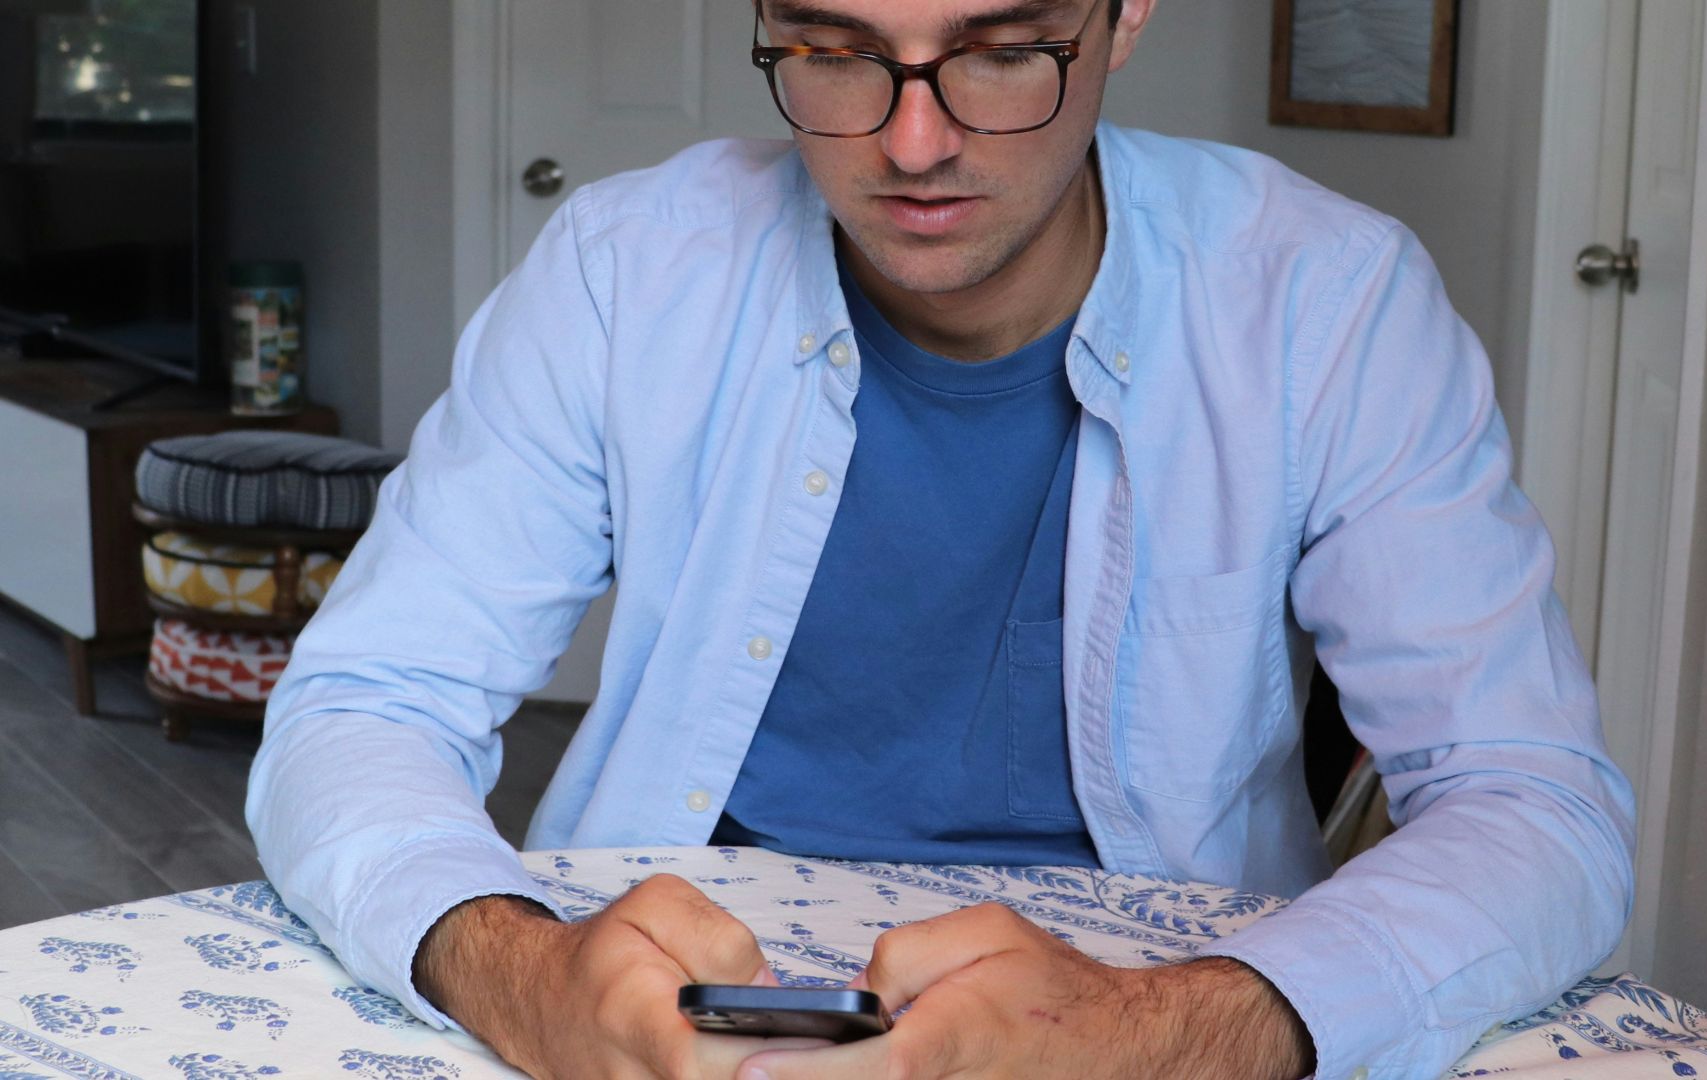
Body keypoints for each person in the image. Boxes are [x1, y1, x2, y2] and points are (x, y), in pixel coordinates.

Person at [248, 0, 1636, 1077]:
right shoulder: (623, 272)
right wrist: (521, 976)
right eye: (836, 54)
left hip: (1151, 1007)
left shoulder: (1328, 303)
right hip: (689, 998)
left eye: (1004, 53)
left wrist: (1173, 1036)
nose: (914, 144)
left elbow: (1535, 803)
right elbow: (366, 702)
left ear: (1124, 17)